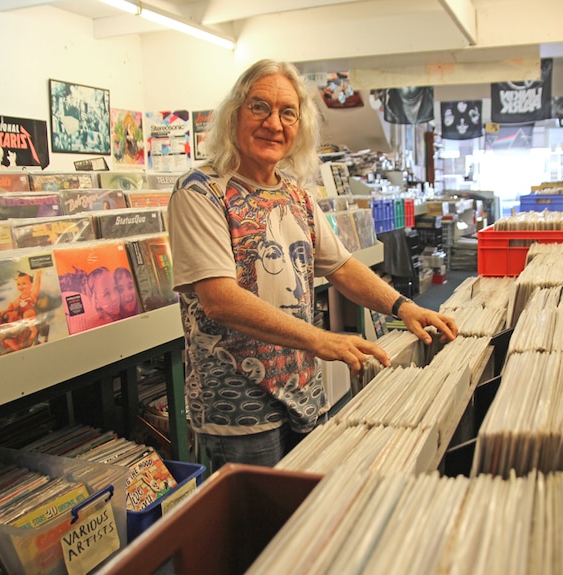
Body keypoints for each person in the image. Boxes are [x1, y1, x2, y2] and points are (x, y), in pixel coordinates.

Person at [167, 59, 458, 471]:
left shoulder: (296, 194)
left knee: (305, 517)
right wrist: (320, 340)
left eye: (288, 113)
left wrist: (402, 306)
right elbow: (221, 300)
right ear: (234, 114)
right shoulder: (200, 192)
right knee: (260, 531)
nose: (274, 123)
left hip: (304, 395)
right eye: (259, 107)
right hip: (238, 411)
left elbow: (340, 266)